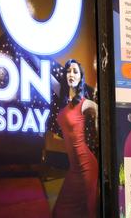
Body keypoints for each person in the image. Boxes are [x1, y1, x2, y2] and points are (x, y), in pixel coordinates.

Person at [52, 59, 99, 218]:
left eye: (75, 71)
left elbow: (98, 112)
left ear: (81, 77)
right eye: (68, 71)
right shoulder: (63, 101)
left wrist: (98, 128)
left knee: (87, 212)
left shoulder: (85, 104)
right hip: (74, 169)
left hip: (86, 166)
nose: (71, 74)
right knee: (60, 211)